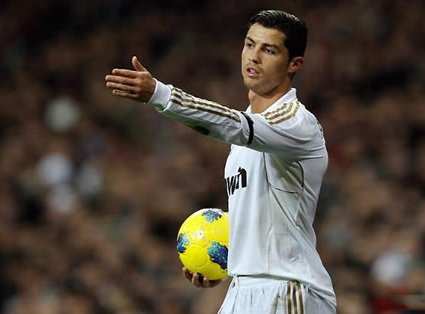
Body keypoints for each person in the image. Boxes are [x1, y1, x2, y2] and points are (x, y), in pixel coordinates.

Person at [106, 9, 336, 314]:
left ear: (295, 63)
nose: (254, 57)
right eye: (250, 44)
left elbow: (235, 125)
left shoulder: (295, 122)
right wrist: (225, 259)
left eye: (269, 50)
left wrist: (160, 94)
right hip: (244, 288)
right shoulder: (246, 137)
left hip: (287, 285)